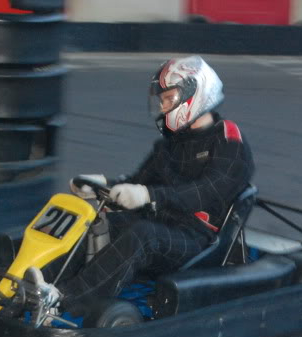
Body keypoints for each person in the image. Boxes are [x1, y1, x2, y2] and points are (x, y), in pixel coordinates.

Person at [30, 55, 255, 320]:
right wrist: (104, 185)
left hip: (197, 237)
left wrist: (149, 196)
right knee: (95, 222)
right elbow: (140, 181)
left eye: (168, 99)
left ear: (196, 93)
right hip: (162, 222)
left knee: (142, 235)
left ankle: (64, 298)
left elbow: (208, 191)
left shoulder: (227, 141)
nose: (163, 107)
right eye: (162, 101)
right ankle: (28, 282)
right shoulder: (172, 143)